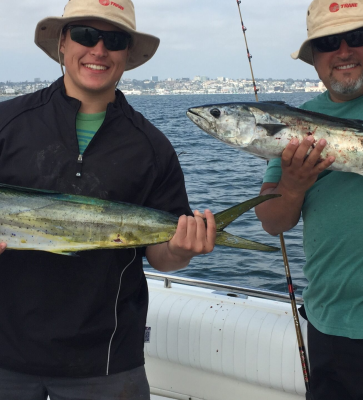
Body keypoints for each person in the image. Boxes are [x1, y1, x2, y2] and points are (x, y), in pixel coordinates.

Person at [0, 0, 216, 399]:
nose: (98, 50)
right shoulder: (6, 123)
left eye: (114, 40)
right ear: (63, 43)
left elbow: (161, 255)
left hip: (106, 363)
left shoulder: (152, 146)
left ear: (128, 54)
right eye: (85, 34)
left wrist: (184, 250)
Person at [255, 0, 363, 398]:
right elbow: (272, 221)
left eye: (356, 37)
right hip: (329, 323)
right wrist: (295, 184)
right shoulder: (294, 122)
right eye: (327, 43)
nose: (343, 52)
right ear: (314, 58)